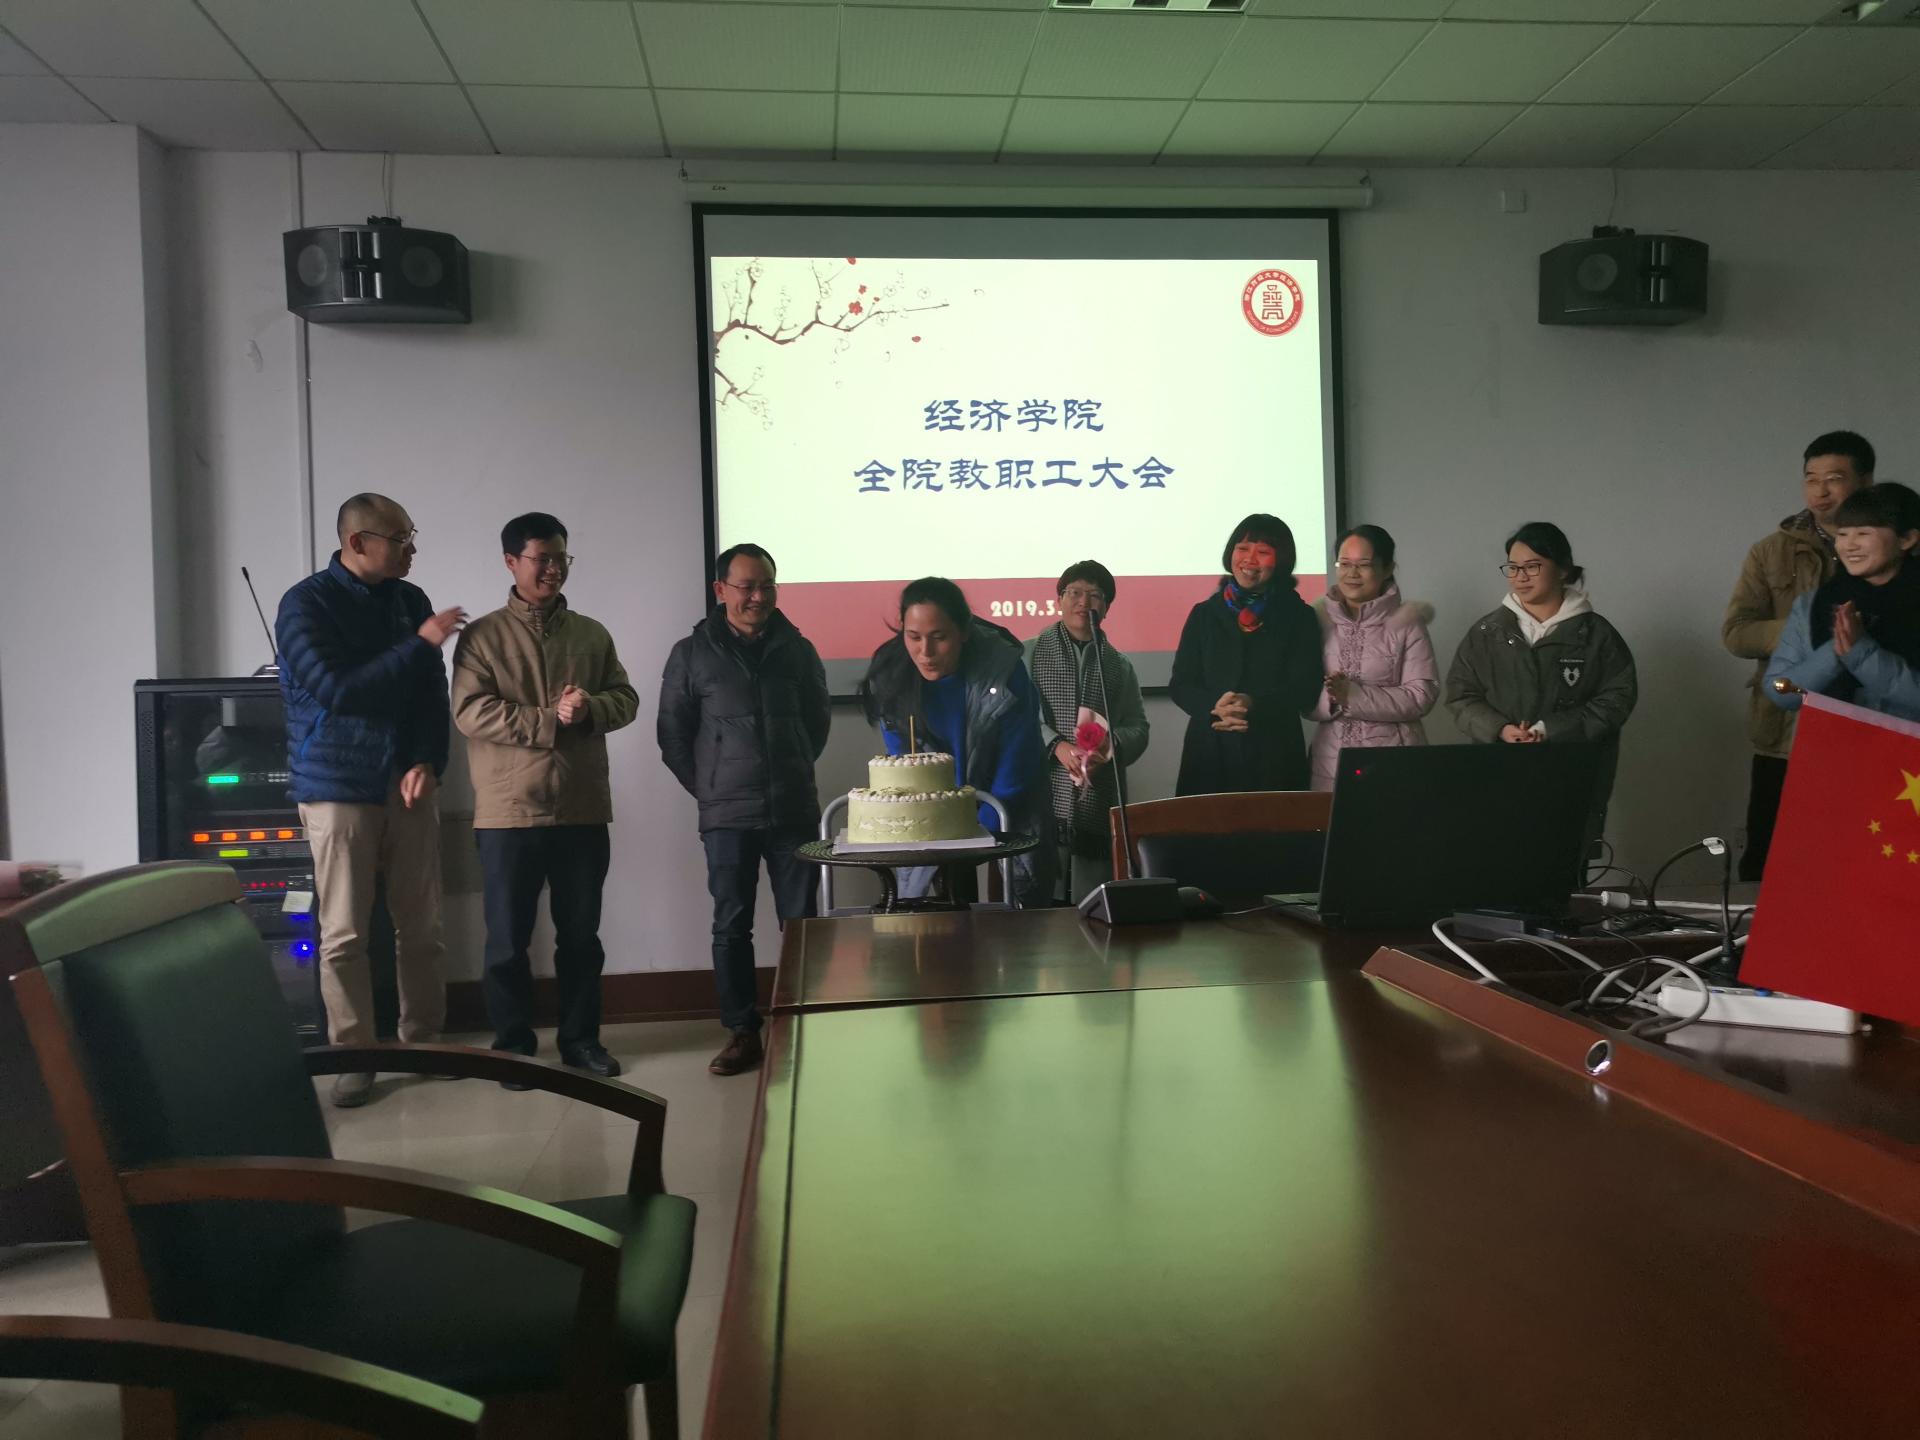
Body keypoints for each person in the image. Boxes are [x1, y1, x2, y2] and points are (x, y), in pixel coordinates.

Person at [275, 493, 464, 1108]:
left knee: (423, 925)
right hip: (337, 785)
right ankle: (354, 1056)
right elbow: (339, 690)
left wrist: (426, 760)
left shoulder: (410, 600)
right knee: (345, 933)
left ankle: (424, 1040)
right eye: (401, 539)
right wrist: (421, 643)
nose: (412, 550)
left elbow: (430, 693)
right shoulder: (304, 604)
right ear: (358, 542)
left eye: (412, 537)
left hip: (405, 782)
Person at [452, 513, 638, 1088]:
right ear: (511, 562)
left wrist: (591, 710)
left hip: (581, 807)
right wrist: (549, 720)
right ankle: (514, 1048)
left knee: (581, 938)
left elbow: (626, 698)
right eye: (542, 559)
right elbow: (470, 712)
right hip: (508, 812)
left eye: (561, 558)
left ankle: (581, 1041)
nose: (554, 569)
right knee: (508, 942)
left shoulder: (591, 634)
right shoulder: (482, 637)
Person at [658, 544, 830, 1076]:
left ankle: (800, 1023)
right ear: (721, 590)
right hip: (726, 816)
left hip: (793, 810)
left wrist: (791, 767)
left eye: (767, 586)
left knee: (802, 925)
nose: (758, 597)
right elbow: (672, 736)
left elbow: (817, 723)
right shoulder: (690, 653)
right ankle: (741, 1031)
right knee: (731, 925)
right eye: (747, 587)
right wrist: (712, 788)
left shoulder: (798, 649)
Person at [1724, 431, 1875, 879]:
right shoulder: (1771, 551)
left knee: (1862, 860)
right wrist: (1804, 634)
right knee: (1768, 861)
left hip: (1870, 727)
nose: (1820, 491)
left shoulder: (1893, 547)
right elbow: (1736, 633)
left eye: (1834, 478)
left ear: (1866, 481)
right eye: (1811, 479)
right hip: (1785, 732)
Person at [859, 577, 1052, 906]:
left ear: (963, 631)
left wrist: (975, 836)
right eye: (914, 637)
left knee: (1022, 913)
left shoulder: (1004, 670)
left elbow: (1017, 765)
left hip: (1009, 804)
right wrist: (945, 832)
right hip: (934, 813)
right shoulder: (890, 677)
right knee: (935, 916)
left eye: (939, 637)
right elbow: (908, 769)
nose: (926, 652)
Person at [1445, 521, 1637, 851]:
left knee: (1565, 863)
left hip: (1571, 772)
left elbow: (1618, 697)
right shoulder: (1487, 633)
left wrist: (1552, 730)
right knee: (1499, 860)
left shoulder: (1596, 634)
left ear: (1563, 569)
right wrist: (1501, 728)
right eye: (1513, 567)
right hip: (1500, 770)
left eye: (1532, 566)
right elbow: (1461, 695)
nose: (1520, 576)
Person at [1169, 513, 1322, 795]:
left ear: (1282, 560)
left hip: (1274, 756)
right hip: (1208, 754)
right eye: (1242, 549)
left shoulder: (1300, 617)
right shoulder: (1204, 614)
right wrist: (1215, 706)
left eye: (1262, 552)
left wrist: (1252, 703)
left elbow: (1305, 688)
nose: (1249, 560)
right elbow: (1181, 684)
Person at [1024, 561, 1150, 902]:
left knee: (1092, 905)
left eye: (1094, 595)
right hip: (1042, 790)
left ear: (1106, 607)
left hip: (1098, 798)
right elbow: (1014, 718)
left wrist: (1108, 747)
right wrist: (1056, 746)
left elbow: (1138, 727)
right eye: (1074, 593)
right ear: (1059, 600)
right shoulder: (1028, 652)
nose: (1083, 602)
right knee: (1041, 905)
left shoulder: (1119, 664)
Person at [1766, 483, 1920, 724]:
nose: (1849, 545)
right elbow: (1780, 692)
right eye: (1843, 534)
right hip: (1828, 744)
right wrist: (1835, 652)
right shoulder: (1813, 603)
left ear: (1907, 539)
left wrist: (1861, 654)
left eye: (1863, 533)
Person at [1306, 525, 1438, 792]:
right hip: (1329, 762)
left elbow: (1421, 695)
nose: (1352, 573)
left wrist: (1352, 696)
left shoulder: (1407, 622)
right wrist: (1330, 698)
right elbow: (1301, 693)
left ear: (1387, 568)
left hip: (1393, 759)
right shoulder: (1317, 620)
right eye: (1344, 564)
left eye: (1363, 565)